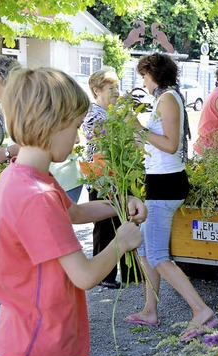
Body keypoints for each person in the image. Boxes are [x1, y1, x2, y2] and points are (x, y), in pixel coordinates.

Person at [0, 67, 146, 356]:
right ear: (50, 123)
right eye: (74, 126)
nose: (77, 136)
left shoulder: (24, 177)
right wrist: (120, 243)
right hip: (44, 342)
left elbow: (73, 213)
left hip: (34, 336)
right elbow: (85, 275)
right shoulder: (36, 196)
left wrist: (119, 203)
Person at [126, 53, 217, 340]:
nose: (143, 80)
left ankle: (201, 310)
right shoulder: (166, 97)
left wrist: (138, 130)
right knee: (144, 251)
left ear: (153, 74)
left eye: (144, 75)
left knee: (157, 255)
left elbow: (170, 144)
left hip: (166, 184)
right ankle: (149, 310)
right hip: (160, 181)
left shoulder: (167, 99)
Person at [0, 53, 84, 207]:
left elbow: (41, 137)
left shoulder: (28, 101)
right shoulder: (18, 103)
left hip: (61, 178)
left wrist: (6, 152)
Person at [82, 68, 138, 289]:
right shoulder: (93, 113)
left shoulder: (112, 111)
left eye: (116, 86)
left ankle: (129, 273)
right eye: (110, 87)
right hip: (101, 176)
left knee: (122, 219)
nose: (116, 91)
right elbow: (108, 136)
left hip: (118, 174)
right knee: (104, 226)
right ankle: (104, 275)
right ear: (96, 90)